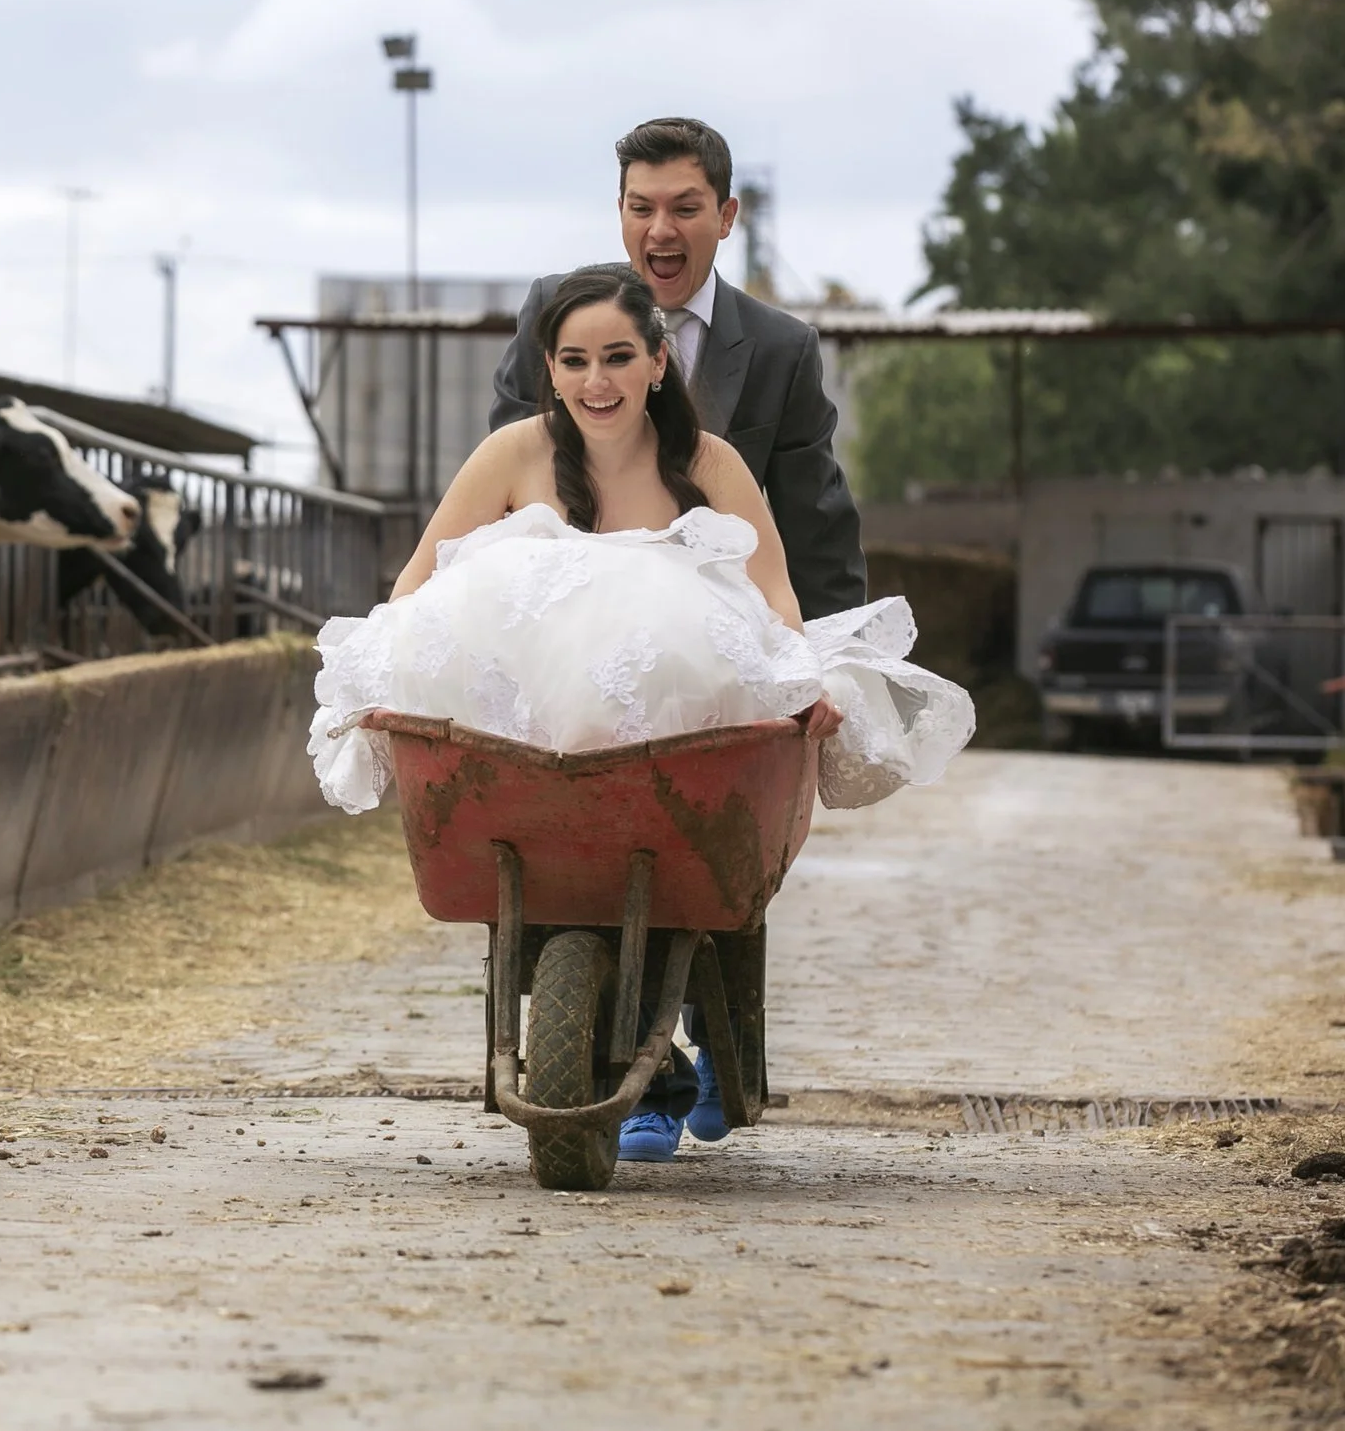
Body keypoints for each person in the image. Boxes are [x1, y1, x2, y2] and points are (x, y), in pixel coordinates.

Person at [311, 262, 972, 1167]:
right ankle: (614, 1045)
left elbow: (773, 592)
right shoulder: (511, 455)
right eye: (576, 360)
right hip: (528, 737)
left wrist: (799, 684)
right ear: (549, 368)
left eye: (619, 357)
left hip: (667, 731)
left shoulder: (707, 463)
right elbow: (418, 580)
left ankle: (687, 1045)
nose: (597, 382)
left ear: (659, 362)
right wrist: (392, 680)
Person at [488, 117, 866, 621]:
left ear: (726, 216)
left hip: (714, 653)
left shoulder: (783, 351)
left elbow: (817, 544)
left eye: (685, 209)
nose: (661, 229)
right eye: (641, 208)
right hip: (559, 632)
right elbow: (502, 488)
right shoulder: (551, 310)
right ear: (620, 211)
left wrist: (833, 677)